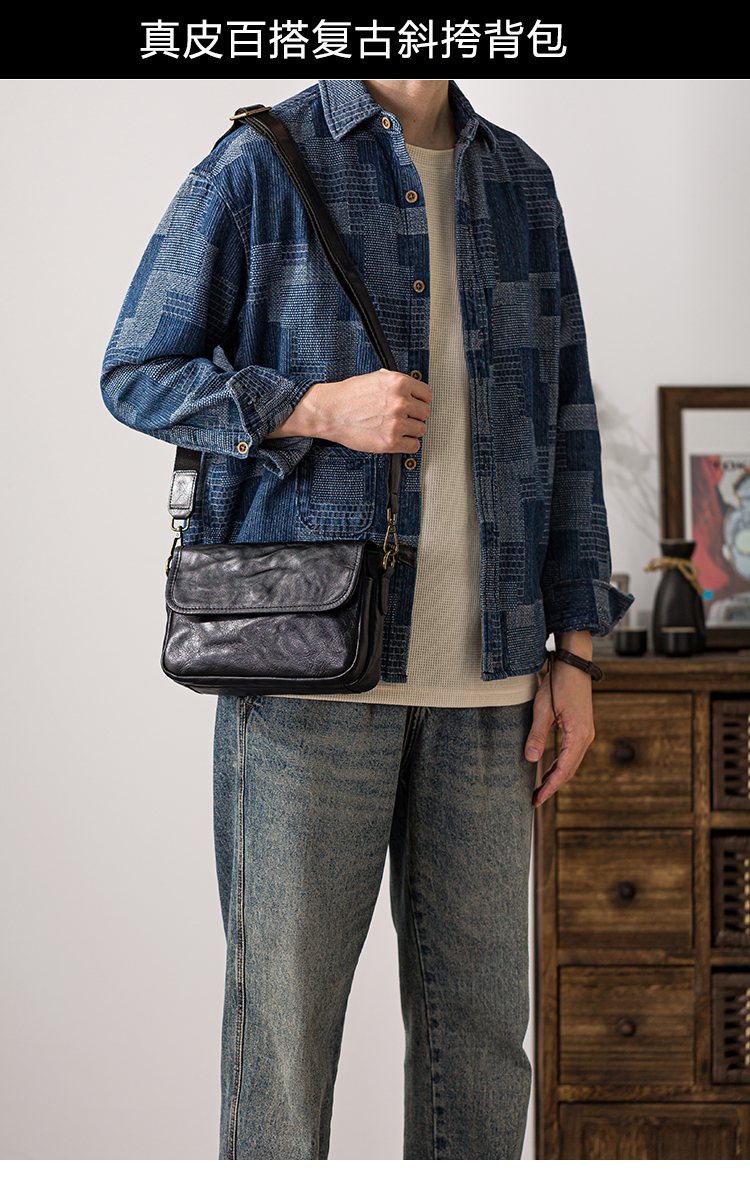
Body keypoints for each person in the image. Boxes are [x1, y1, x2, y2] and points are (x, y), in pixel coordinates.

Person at [101, 78, 633, 1161]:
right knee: (285, 1046)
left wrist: (575, 653)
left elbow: (566, 417)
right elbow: (136, 371)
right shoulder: (262, 163)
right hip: (308, 679)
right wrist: (310, 408)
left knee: (483, 1050)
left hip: (492, 690)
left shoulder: (520, 181)